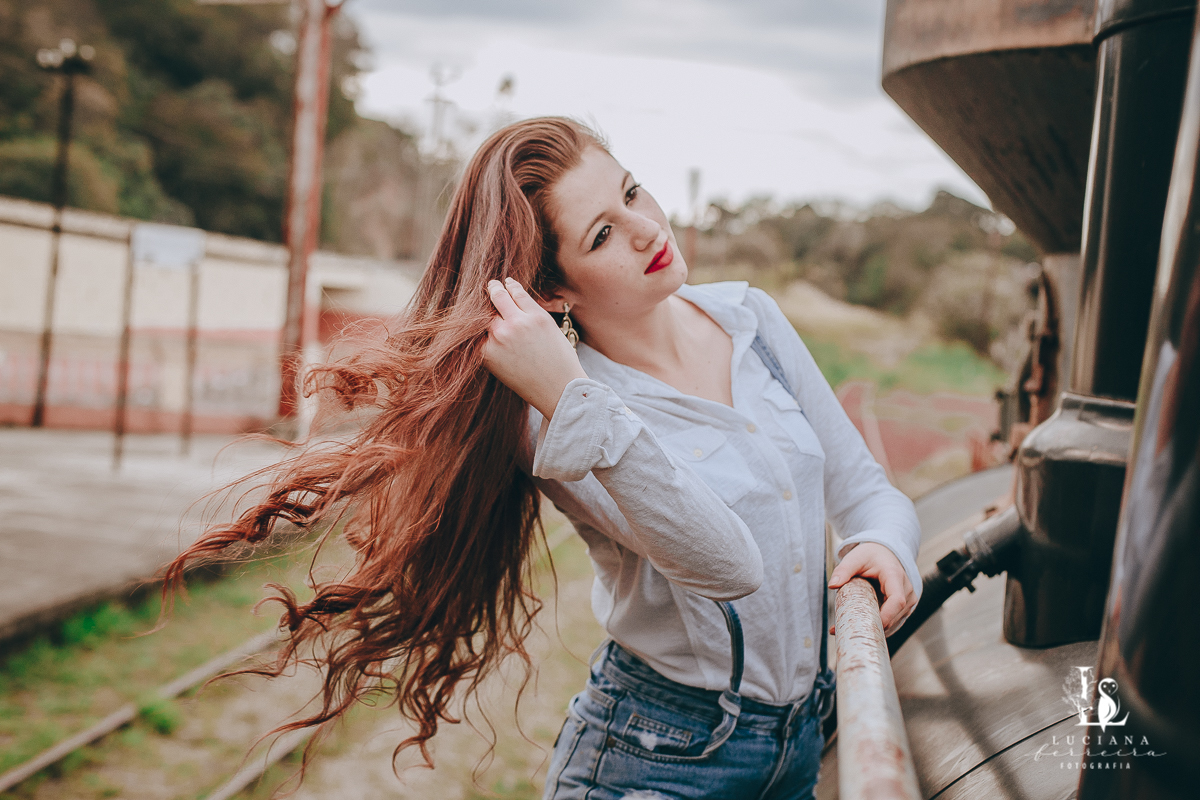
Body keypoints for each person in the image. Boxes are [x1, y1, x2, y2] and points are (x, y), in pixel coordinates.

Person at [164, 117, 921, 799]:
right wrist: (575, 398)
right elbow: (728, 566)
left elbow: (866, 492)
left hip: (799, 743)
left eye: (632, 192)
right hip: (662, 763)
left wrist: (888, 545)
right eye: (602, 234)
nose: (646, 229)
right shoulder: (556, 413)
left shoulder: (750, 318)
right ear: (553, 288)